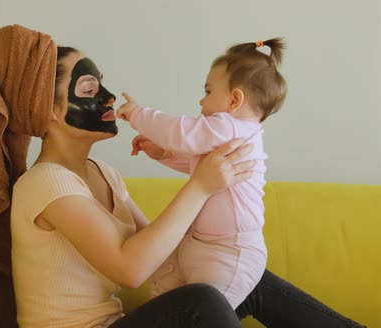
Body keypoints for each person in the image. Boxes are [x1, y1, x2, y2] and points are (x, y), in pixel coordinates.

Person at [0, 25, 381, 328]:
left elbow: (158, 248)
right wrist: (201, 185)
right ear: (47, 110)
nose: (106, 96)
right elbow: (131, 268)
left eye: (102, 84)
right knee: (201, 300)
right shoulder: (46, 182)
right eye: (88, 89)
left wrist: (228, 244)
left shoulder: (103, 173)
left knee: (238, 274)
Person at [115, 38, 284, 309]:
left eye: (207, 91)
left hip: (230, 254)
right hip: (199, 245)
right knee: (164, 309)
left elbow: (183, 134)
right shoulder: (227, 136)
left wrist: (138, 114)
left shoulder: (232, 127)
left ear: (234, 100)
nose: (200, 100)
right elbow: (198, 162)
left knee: (205, 317)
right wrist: (163, 153)